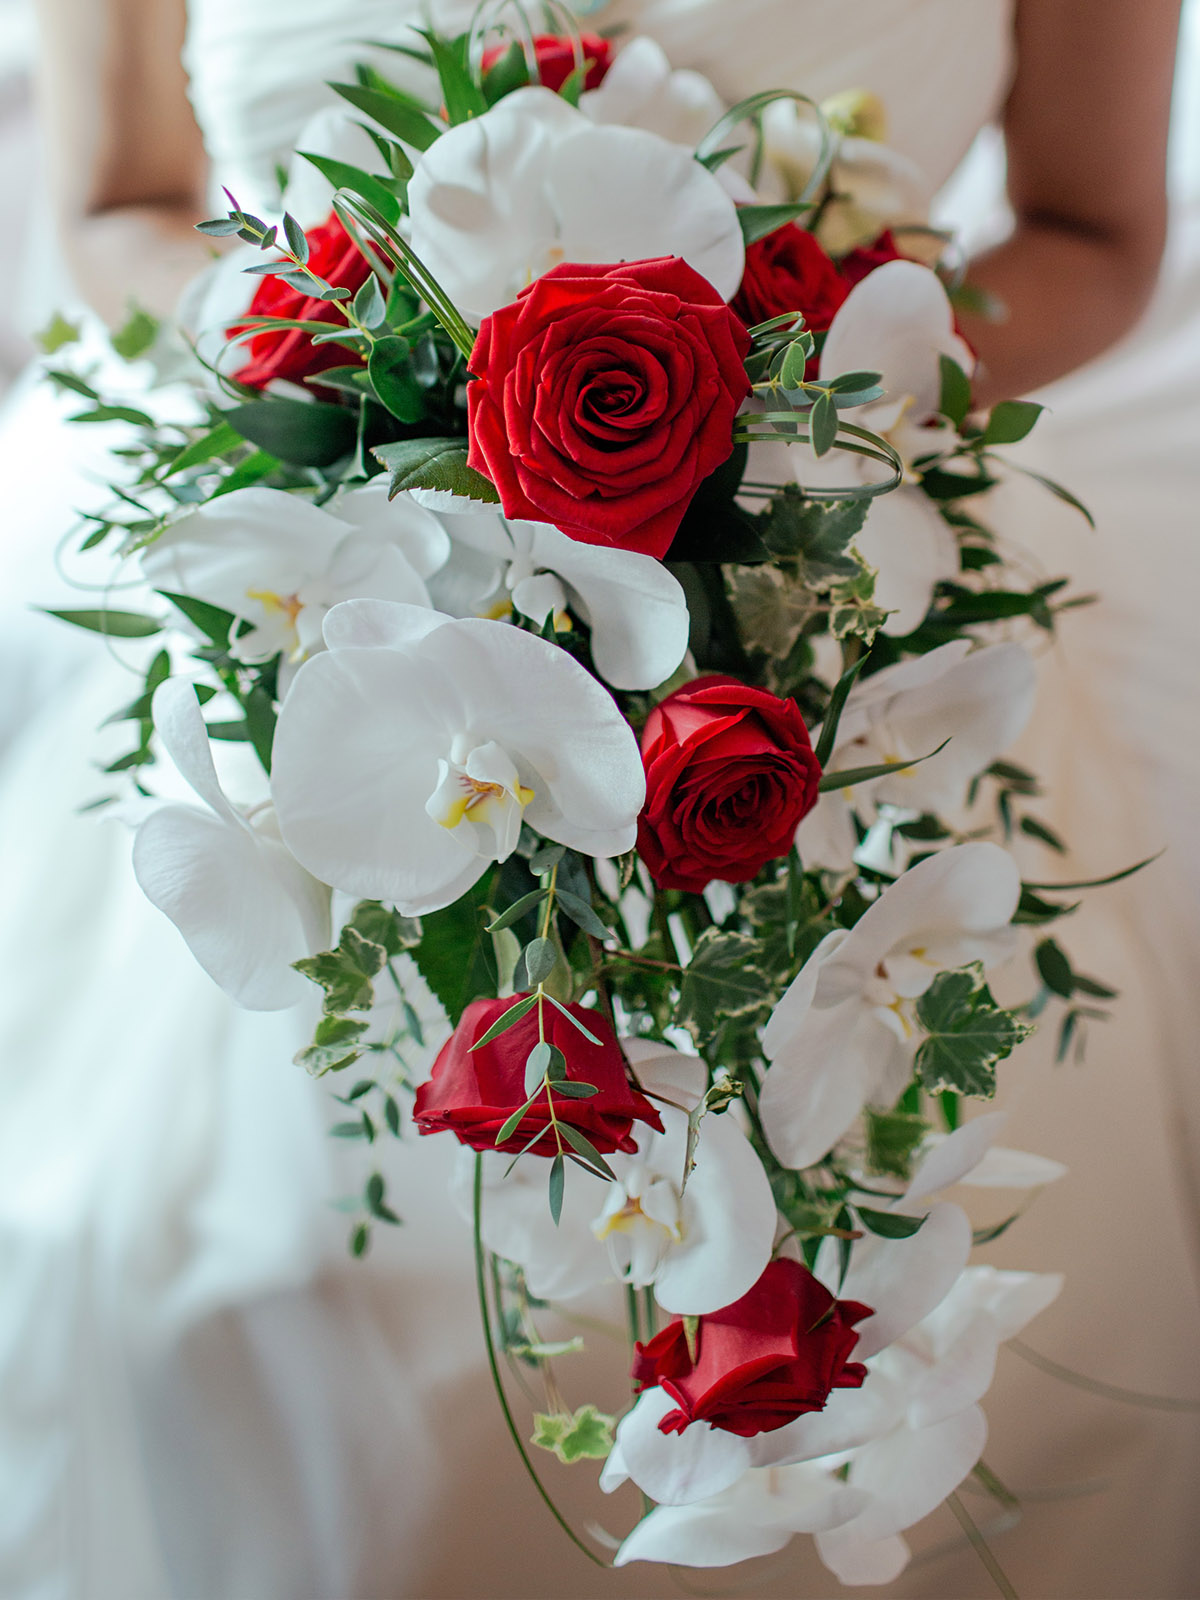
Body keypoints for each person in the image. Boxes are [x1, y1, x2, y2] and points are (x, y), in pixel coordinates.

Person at [0, 0, 1196, 1595]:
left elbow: (1092, 230)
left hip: (843, 596)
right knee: (263, 1315)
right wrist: (383, 385)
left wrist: (777, 408)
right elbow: (111, 206)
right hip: (317, 567)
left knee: (927, 1260)